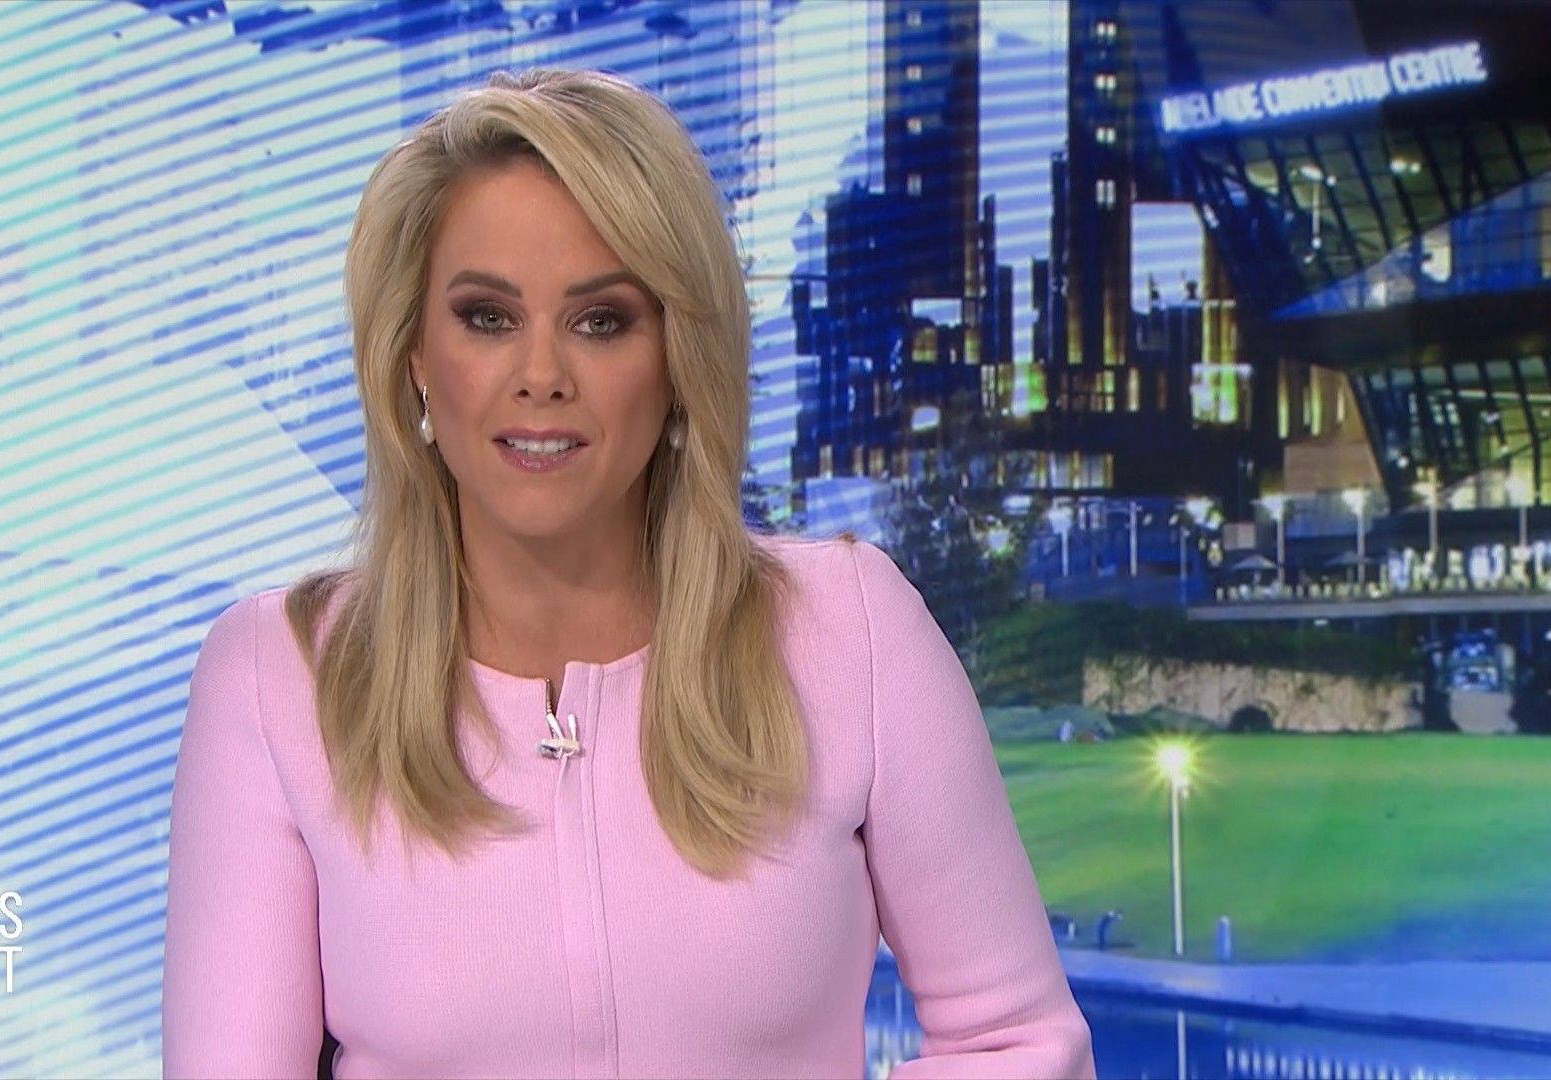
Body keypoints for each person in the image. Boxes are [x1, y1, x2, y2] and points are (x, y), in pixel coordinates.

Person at [160, 67, 1096, 1080]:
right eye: (487, 317)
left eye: (600, 320)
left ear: (677, 358)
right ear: (415, 357)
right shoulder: (280, 677)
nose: (541, 376)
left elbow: (1021, 1046)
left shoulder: (852, 633)